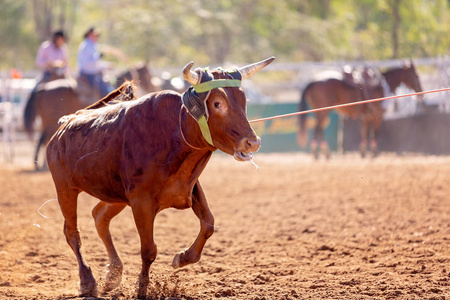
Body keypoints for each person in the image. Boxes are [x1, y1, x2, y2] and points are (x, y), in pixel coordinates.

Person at [77, 27, 113, 97]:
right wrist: (101, 54)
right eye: (95, 35)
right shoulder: (86, 46)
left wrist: (107, 65)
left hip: (92, 73)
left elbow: (96, 62)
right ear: (89, 35)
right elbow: (88, 63)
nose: (97, 37)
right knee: (109, 92)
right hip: (88, 74)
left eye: (98, 35)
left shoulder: (93, 45)